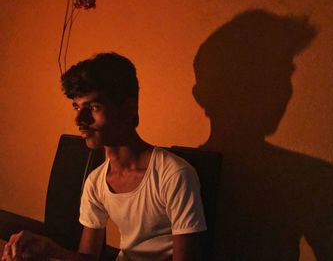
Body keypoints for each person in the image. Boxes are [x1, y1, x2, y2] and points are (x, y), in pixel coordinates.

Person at [2, 52, 206, 261]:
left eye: (93, 107)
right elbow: (88, 257)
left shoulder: (174, 175)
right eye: (77, 107)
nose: (79, 119)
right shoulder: (96, 182)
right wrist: (49, 250)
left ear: (128, 108)